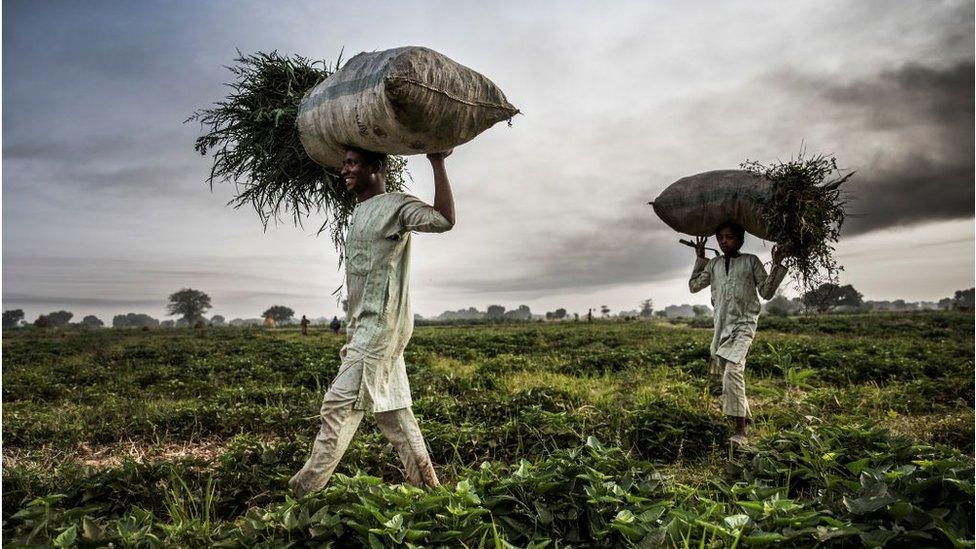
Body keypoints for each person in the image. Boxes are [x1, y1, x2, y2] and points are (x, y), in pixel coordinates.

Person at [290, 146, 455, 497]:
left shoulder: (396, 206)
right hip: (362, 327)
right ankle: (430, 491)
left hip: (380, 328)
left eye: (352, 163)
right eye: (344, 164)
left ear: (377, 167)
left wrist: (437, 161)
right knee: (393, 412)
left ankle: (303, 494)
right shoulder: (358, 211)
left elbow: (444, 219)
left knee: (337, 407)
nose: (344, 170)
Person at [687, 221, 789, 446]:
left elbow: (767, 291)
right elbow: (694, 286)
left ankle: (740, 432)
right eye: (721, 238)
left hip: (744, 325)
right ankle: (746, 418)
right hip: (721, 327)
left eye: (730, 237)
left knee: (733, 371)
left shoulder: (750, 261)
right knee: (729, 372)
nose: (724, 241)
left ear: (740, 239)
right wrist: (700, 258)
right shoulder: (713, 264)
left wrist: (778, 264)